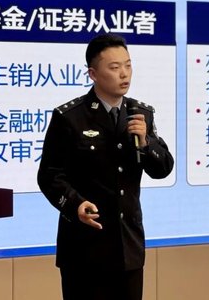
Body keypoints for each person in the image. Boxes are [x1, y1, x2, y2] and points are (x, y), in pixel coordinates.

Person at [37, 34, 174, 300]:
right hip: (84, 248)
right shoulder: (70, 117)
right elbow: (50, 176)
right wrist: (75, 204)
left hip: (128, 246)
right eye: (114, 67)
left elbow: (163, 168)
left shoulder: (140, 114)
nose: (124, 74)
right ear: (93, 74)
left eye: (128, 65)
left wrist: (146, 143)